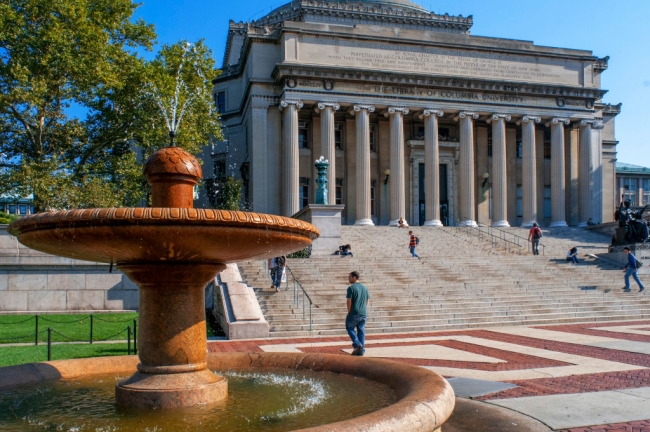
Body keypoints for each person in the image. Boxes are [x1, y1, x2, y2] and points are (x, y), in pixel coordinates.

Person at [345, 271, 369, 356]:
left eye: (350, 277)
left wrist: (349, 311)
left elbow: (349, 300)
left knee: (349, 327)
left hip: (354, 312)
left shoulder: (351, 288)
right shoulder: (365, 288)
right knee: (361, 330)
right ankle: (361, 350)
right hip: (363, 313)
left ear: (355, 277)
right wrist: (364, 308)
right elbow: (367, 300)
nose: (349, 278)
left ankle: (358, 345)